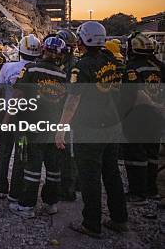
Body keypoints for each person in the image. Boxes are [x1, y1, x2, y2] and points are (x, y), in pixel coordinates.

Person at [54, 21, 128, 238]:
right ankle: (120, 219)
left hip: (90, 128)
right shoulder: (112, 61)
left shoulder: (81, 67)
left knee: (90, 177)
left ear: (83, 40)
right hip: (111, 124)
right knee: (112, 173)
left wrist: (61, 128)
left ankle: (91, 224)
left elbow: (73, 100)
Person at [9, 37, 67, 218]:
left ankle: (27, 206)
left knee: (32, 166)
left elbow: (17, 95)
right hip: (53, 127)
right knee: (53, 168)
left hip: (32, 125)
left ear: (43, 50)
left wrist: (7, 118)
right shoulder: (63, 75)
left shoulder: (31, 68)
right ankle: (51, 204)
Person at [0, 34, 42, 201]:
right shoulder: (38, 70)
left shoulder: (8, 67)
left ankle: (2, 188)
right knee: (21, 154)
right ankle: (17, 188)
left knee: (4, 152)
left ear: (20, 51)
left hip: (8, 115)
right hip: (27, 119)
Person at [120, 32, 164, 205]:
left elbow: (138, 94)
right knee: (152, 153)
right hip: (157, 117)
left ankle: (138, 193)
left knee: (135, 154)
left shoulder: (132, 67)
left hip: (138, 116)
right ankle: (151, 190)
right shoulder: (159, 66)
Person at [56, 28, 80, 201]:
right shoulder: (70, 63)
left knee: (68, 152)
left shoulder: (71, 67)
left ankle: (68, 189)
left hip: (68, 113)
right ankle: (74, 183)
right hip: (69, 112)